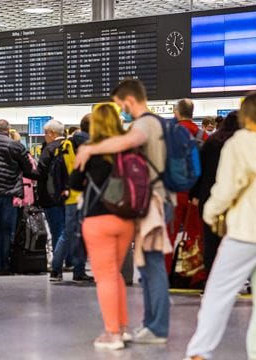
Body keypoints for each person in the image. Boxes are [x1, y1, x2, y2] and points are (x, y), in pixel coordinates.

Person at [185, 93, 256, 360]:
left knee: (218, 293)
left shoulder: (238, 144)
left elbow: (225, 188)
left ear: (245, 115)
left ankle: (199, 352)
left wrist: (210, 214)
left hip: (246, 230)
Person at [76, 78, 170, 344]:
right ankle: (150, 324)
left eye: (120, 105)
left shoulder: (145, 124)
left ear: (129, 100)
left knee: (152, 267)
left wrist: (91, 147)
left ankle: (157, 327)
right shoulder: (154, 124)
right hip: (146, 203)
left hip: (152, 202)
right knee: (146, 266)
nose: (122, 111)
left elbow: (127, 142)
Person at [69, 104, 134, 350]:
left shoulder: (89, 150)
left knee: (105, 277)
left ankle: (112, 333)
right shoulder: (128, 148)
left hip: (98, 219)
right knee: (115, 274)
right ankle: (124, 327)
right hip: (125, 218)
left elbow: (74, 183)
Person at [0, 120, 37, 276]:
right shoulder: (15, 145)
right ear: (8, 130)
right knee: (6, 230)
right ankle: (5, 266)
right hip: (8, 193)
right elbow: (28, 170)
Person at [194, 111, 240, 273]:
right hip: (235, 201)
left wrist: (195, 194)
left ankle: (210, 280)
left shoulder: (211, 141)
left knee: (211, 243)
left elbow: (199, 170)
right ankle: (232, 280)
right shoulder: (241, 143)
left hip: (210, 197)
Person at [50, 114, 93, 283]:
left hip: (69, 195)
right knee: (82, 235)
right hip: (85, 196)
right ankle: (79, 271)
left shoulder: (67, 143)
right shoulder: (91, 145)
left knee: (67, 234)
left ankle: (55, 269)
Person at [169, 98, 208, 275]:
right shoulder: (203, 136)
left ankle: (166, 271)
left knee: (169, 233)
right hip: (195, 194)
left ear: (177, 113)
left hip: (173, 192)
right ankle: (194, 273)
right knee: (195, 234)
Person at [36, 119, 68, 271]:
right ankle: (69, 260)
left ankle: (57, 263)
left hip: (50, 195)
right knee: (66, 228)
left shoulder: (49, 149)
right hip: (69, 195)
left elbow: (40, 171)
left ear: (51, 133)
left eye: (45, 133)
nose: (44, 137)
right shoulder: (70, 146)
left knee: (57, 230)